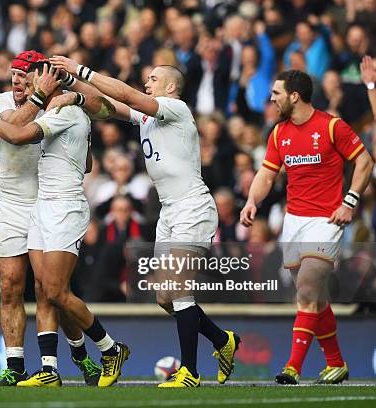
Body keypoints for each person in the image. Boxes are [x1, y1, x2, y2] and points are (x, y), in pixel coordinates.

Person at [50, 55, 240, 388]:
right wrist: (69, 84)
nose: (146, 82)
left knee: (179, 292)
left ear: (170, 87)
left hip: (192, 207)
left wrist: (81, 69)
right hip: (170, 211)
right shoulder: (149, 116)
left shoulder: (176, 108)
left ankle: (190, 372)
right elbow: (107, 104)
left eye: (153, 78)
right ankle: (223, 341)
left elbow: (126, 95)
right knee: (165, 298)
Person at [0, 64, 129, 388]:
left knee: (55, 291)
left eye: (31, 77)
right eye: (18, 76)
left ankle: (106, 349)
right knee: (39, 289)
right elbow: (87, 162)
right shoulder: (49, 108)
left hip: (61, 205)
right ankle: (48, 368)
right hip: (34, 208)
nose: (23, 83)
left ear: (46, 81)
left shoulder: (63, 110)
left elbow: (19, 135)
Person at [240, 70, 373, 384]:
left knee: (307, 289)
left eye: (276, 93)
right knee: (315, 296)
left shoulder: (331, 126)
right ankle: (336, 362)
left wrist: (350, 201)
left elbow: (364, 161)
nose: (271, 99)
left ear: (294, 95)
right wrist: (251, 201)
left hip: (327, 219)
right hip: (294, 221)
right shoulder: (278, 133)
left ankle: (292, 367)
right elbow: (267, 174)